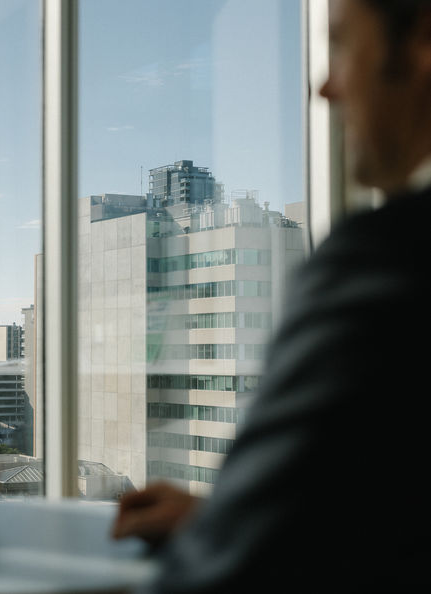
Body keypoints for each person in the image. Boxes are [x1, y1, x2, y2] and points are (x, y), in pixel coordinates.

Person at [113, 0, 431, 591]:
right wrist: (230, 521)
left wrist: (237, 535)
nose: (326, 87)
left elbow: (226, 579)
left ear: (421, 44)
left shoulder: (389, 258)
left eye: (341, 43)